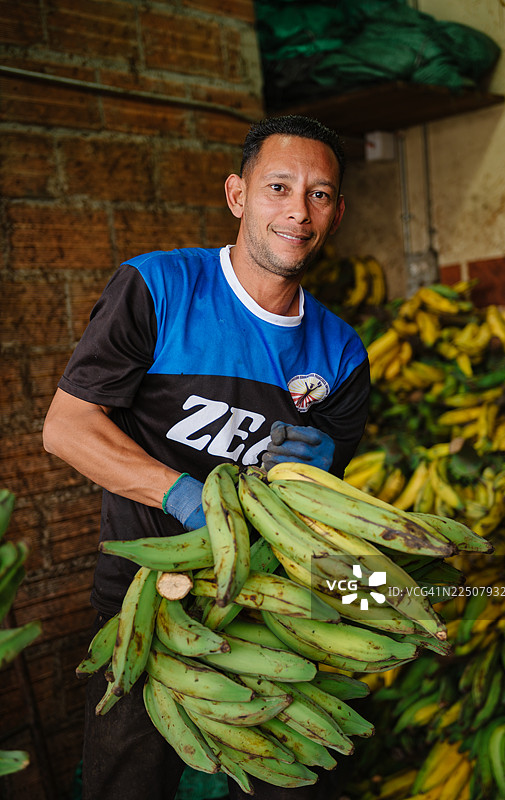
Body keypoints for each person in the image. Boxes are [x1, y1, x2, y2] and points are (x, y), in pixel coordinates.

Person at [43, 114, 370, 800]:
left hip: (274, 610)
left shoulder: (341, 352)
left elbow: (322, 500)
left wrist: (326, 466)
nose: (298, 211)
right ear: (237, 195)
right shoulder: (159, 288)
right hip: (145, 606)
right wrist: (184, 497)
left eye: (318, 194)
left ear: (336, 214)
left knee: (300, 783)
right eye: (278, 187)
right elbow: (68, 428)